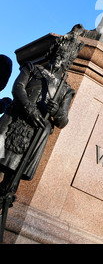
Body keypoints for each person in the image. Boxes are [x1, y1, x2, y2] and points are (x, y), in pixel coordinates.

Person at [0, 41, 75, 208]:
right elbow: (18, 87)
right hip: (14, 119)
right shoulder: (32, 68)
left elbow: (63, 121)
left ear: (68, 61)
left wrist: (56, 112)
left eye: (63, 57)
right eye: (57, 54)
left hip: (35, 135)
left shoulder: (65, 90)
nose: (58, 58)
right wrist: (29, 108)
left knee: (10, 182)